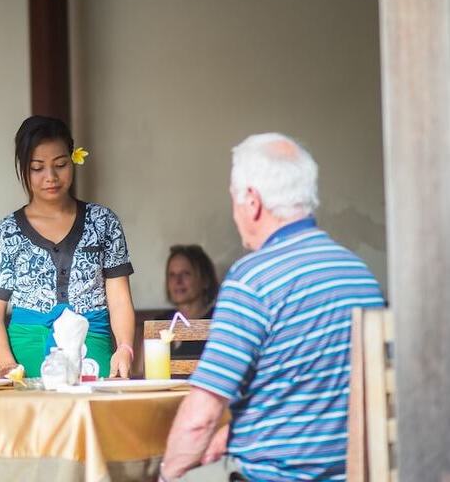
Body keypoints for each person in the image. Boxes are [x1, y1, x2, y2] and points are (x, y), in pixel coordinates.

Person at [160, 133, 385, 482]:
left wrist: (165, 476)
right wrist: (230, 435)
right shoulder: (359, 274)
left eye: (234, 200)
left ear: (252, 201)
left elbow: (200, 418)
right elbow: (310, 395)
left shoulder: (253, 281)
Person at [0, 115, 136, 379]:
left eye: (60, 164)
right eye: (37, 168)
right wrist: (7, 365)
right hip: (25, 355)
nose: (50, 177)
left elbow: (119, 300)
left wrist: (125, 348)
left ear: (73, 160)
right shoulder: (4, 233)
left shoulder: (104, 221)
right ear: (23, 169)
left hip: (92, 347)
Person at [156, 244, 219, 359]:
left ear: (205, 280)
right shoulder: (159, 323)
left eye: (185, 274)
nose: (177, 281)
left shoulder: (218, 320)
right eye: (172, 275)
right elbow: (143, 371)